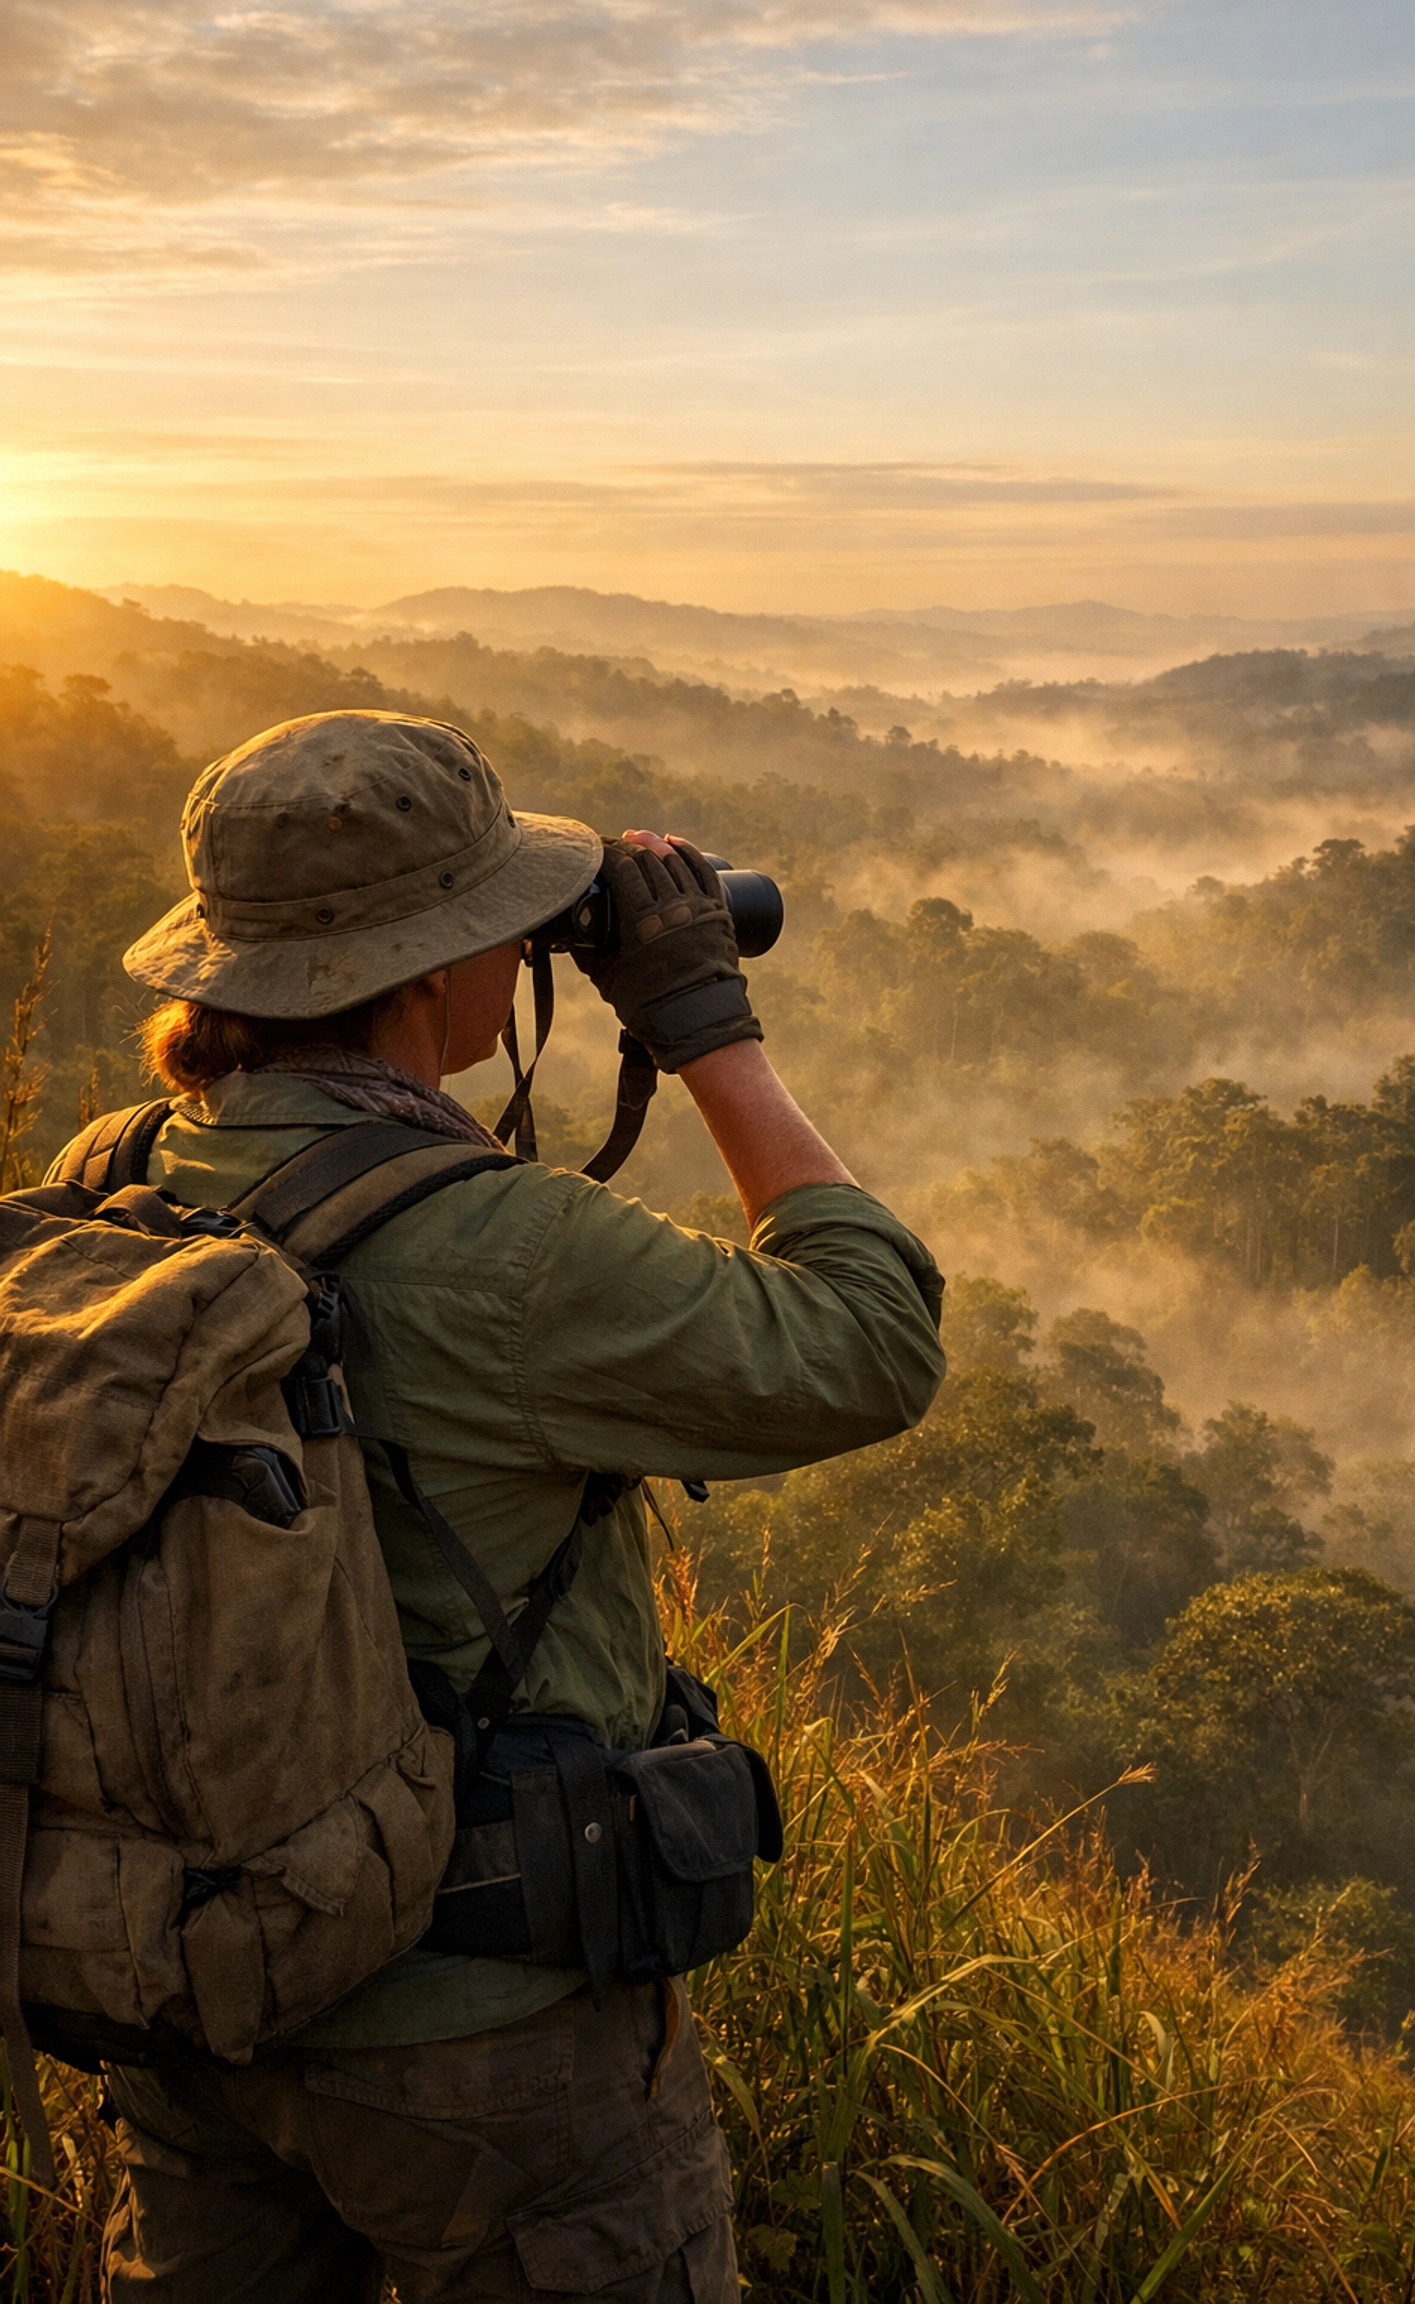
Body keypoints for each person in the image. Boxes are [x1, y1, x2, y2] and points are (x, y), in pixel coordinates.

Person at [50, 708, 945, 2303]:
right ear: (425, 973)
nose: (521, 948)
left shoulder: (110, 1174)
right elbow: (875, 1338)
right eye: (500, 921)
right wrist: (706, 1028)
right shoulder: (513, 1250)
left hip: (189, 1985)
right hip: (484, 2033)